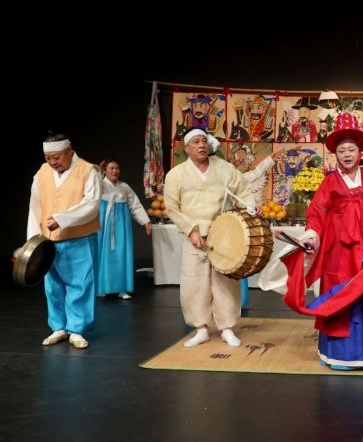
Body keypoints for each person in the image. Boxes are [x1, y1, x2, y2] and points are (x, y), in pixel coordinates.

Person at [282, 112, 363, 370]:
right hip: (340, 253)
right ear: (336, 154)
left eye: (351, 149)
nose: (346, 154)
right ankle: (341, 355)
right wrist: (312, 235)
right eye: (341, 150)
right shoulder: (330, 182)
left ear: (359, 151)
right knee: (344, 298)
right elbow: (317, 213)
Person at [163, 128, 274, 348]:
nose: (201, 145)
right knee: (194, 282)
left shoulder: (223, 168)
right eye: (195, 142)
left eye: (204, 141)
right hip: (194, 233)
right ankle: (201, 328)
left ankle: (227, 328)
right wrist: (191, 230)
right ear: (187, 148)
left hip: (223, 232)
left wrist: (251, 207)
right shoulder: (176, 174)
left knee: (225, 282)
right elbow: (172, 207)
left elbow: (243, 190)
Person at [27, 133, 101, 349]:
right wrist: (32, 242)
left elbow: (92, 204)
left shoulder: (88, 170)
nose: (52, 162)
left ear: (69, 150)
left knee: (80, 283)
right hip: (49, 241)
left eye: (56, 157)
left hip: (79, 238)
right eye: (48, 157)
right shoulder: (42, 172)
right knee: (53, 285)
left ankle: (77, 329)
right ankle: (59, 327)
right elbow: (35, 207)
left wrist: (62, 219)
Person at [96, 159, 151, 299]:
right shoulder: (100, 184)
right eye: (111, 168)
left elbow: (135, 205)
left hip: (121, 225)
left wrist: (145, 221)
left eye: (117, 168)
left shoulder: (124, 187)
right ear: (105, 170)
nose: (115, 171)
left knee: (122, 253)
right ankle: (102, 287)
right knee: (103, 253)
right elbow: (91, 187)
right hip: (104, 224)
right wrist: (97, 173)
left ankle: (122, 288)